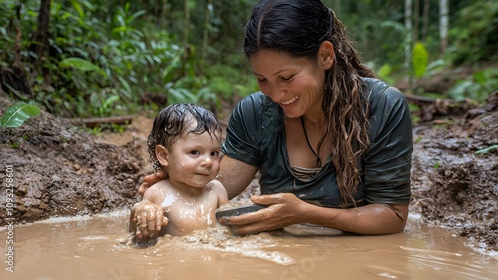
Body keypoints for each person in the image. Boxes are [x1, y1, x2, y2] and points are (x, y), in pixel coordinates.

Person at [135, 0, 413, 238]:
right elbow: (213, 188)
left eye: (287, 78)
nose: (277, 95)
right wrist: (176, 185)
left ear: (325, 55)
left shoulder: (381, 106)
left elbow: (392, 215)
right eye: (262, 80)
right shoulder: (256, 112)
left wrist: (306, 214)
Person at [129, 103, 228, 238]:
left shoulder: (217, 190)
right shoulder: (157, 193)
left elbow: (229, 227)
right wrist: (143, 214)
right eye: (194, 152)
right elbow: (138, 231)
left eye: (214, 153)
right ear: (164, 156)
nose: (208, 162)